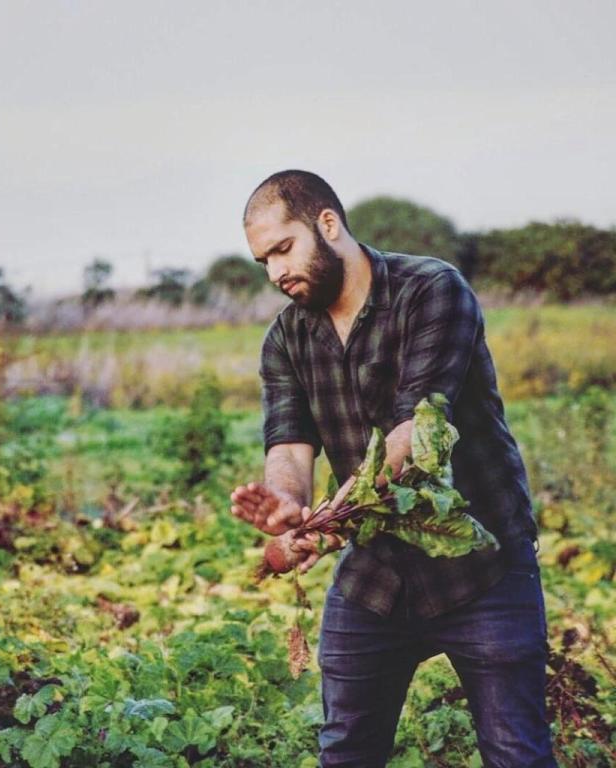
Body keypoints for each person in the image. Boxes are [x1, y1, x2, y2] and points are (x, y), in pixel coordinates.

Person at [230, 170, 557, 768]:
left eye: (283, 249)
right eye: (263, 262)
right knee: (346, 753)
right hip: (374, 578)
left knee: (517, 753)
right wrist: (286, 504)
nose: (276, 273)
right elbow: (289, 444)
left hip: (479, 565)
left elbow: (415, 433)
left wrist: (328, 518)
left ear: (327, 224)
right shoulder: (286, 339)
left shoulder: (432, 290)